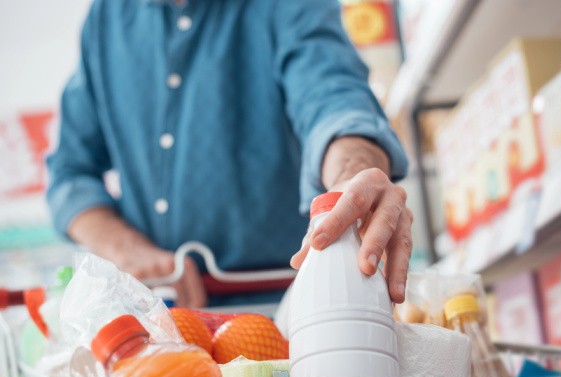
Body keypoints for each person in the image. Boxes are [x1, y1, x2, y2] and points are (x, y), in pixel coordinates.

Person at [46, 0, 412, 308]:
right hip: (158, 324)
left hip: (290, 311)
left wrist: (352, 180)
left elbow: (333, 99)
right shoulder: (105, 19)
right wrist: (126, 249)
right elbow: (69, 173)